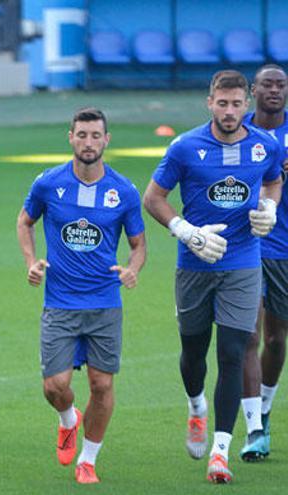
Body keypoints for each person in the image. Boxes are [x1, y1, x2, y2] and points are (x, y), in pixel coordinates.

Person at [142, 70, 284, 484]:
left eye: (237, 104)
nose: (229, 111)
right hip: (195, 265)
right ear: (209, 103)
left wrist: (269, 209)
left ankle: (220, 452)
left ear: (247, 104)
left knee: (233, 353)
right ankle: (196, 406)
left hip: (243, 262)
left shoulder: (264, 146)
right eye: (222, 104)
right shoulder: (185, 147)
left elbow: (274, 182)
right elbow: (153, 197)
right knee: (193, 351)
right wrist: (185, 231)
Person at [17, 107, 146, 484]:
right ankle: (68, 419)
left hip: (105, 304)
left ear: (107, 140)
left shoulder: (123, 191)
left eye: (95, 136)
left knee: (102, 385)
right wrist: (31, 260)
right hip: (60, 303)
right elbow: (25, 221)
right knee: (55, 387)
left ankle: (87, 460)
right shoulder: (48, 184)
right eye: (82, 135)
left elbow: (139, 244)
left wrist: (132, 268)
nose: (88, 142)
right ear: (69, 137)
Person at [240, 63, 288, 461]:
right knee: (248, 338)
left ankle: (267, 407)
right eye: (267, 84)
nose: (274, 90)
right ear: (254, 90)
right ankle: (254, 427)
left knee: (275, 340)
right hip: (248, 248)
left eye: (281, 85)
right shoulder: (236, 132)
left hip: (285, 250)